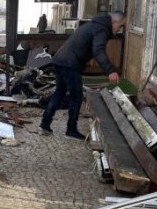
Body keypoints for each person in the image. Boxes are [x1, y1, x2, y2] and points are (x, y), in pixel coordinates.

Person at [41, 11, 124, 140]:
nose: (119, 29)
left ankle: (45, 124)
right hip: (70, 64)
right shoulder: (101, 29)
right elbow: (98, 51)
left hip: (60, 60)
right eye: (120, 26)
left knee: (59, 93)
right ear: (115, 22)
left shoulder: (94, 24)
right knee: (76, 97)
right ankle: (71, 129)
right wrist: (110, 71)